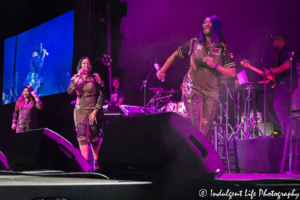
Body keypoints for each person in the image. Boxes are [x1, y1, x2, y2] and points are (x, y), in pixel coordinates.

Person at [156, 15, 236, 142]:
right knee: (198, 126)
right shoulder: (194, 43)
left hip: (211, 93)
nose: (207, 24)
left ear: (216, 26)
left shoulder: (223, 48)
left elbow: (232, 73)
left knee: (206, 131)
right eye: (205, 22)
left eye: (210, 22)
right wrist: (162, 70)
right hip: (192, 88)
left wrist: (216, 65)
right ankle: (195, 159)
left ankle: (204, 160)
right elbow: (176, 55)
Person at [67, 57, 105, 171]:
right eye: (84, 63)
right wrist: (78, 76)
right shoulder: (75, 77)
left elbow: (102, 94)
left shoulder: (95, 77)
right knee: (82, 136)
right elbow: (69, 91)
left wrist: (95, 111)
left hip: (93, 108)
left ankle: (97, 163)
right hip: (79, 108)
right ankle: (86, 165)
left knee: (94, 137)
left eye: (88, 64)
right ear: (80, 65)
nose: (86, 66)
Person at [264, 33, 298, 135]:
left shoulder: (284, 50)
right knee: (282, 108)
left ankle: (287, 132)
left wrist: (271, 72)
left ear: (280, 40)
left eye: (274, 40)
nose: (273, 43)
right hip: (285, 83)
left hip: (285, 83)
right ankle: (287, 132)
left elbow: (287, 65)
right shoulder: (283, 51)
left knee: (279, 106)